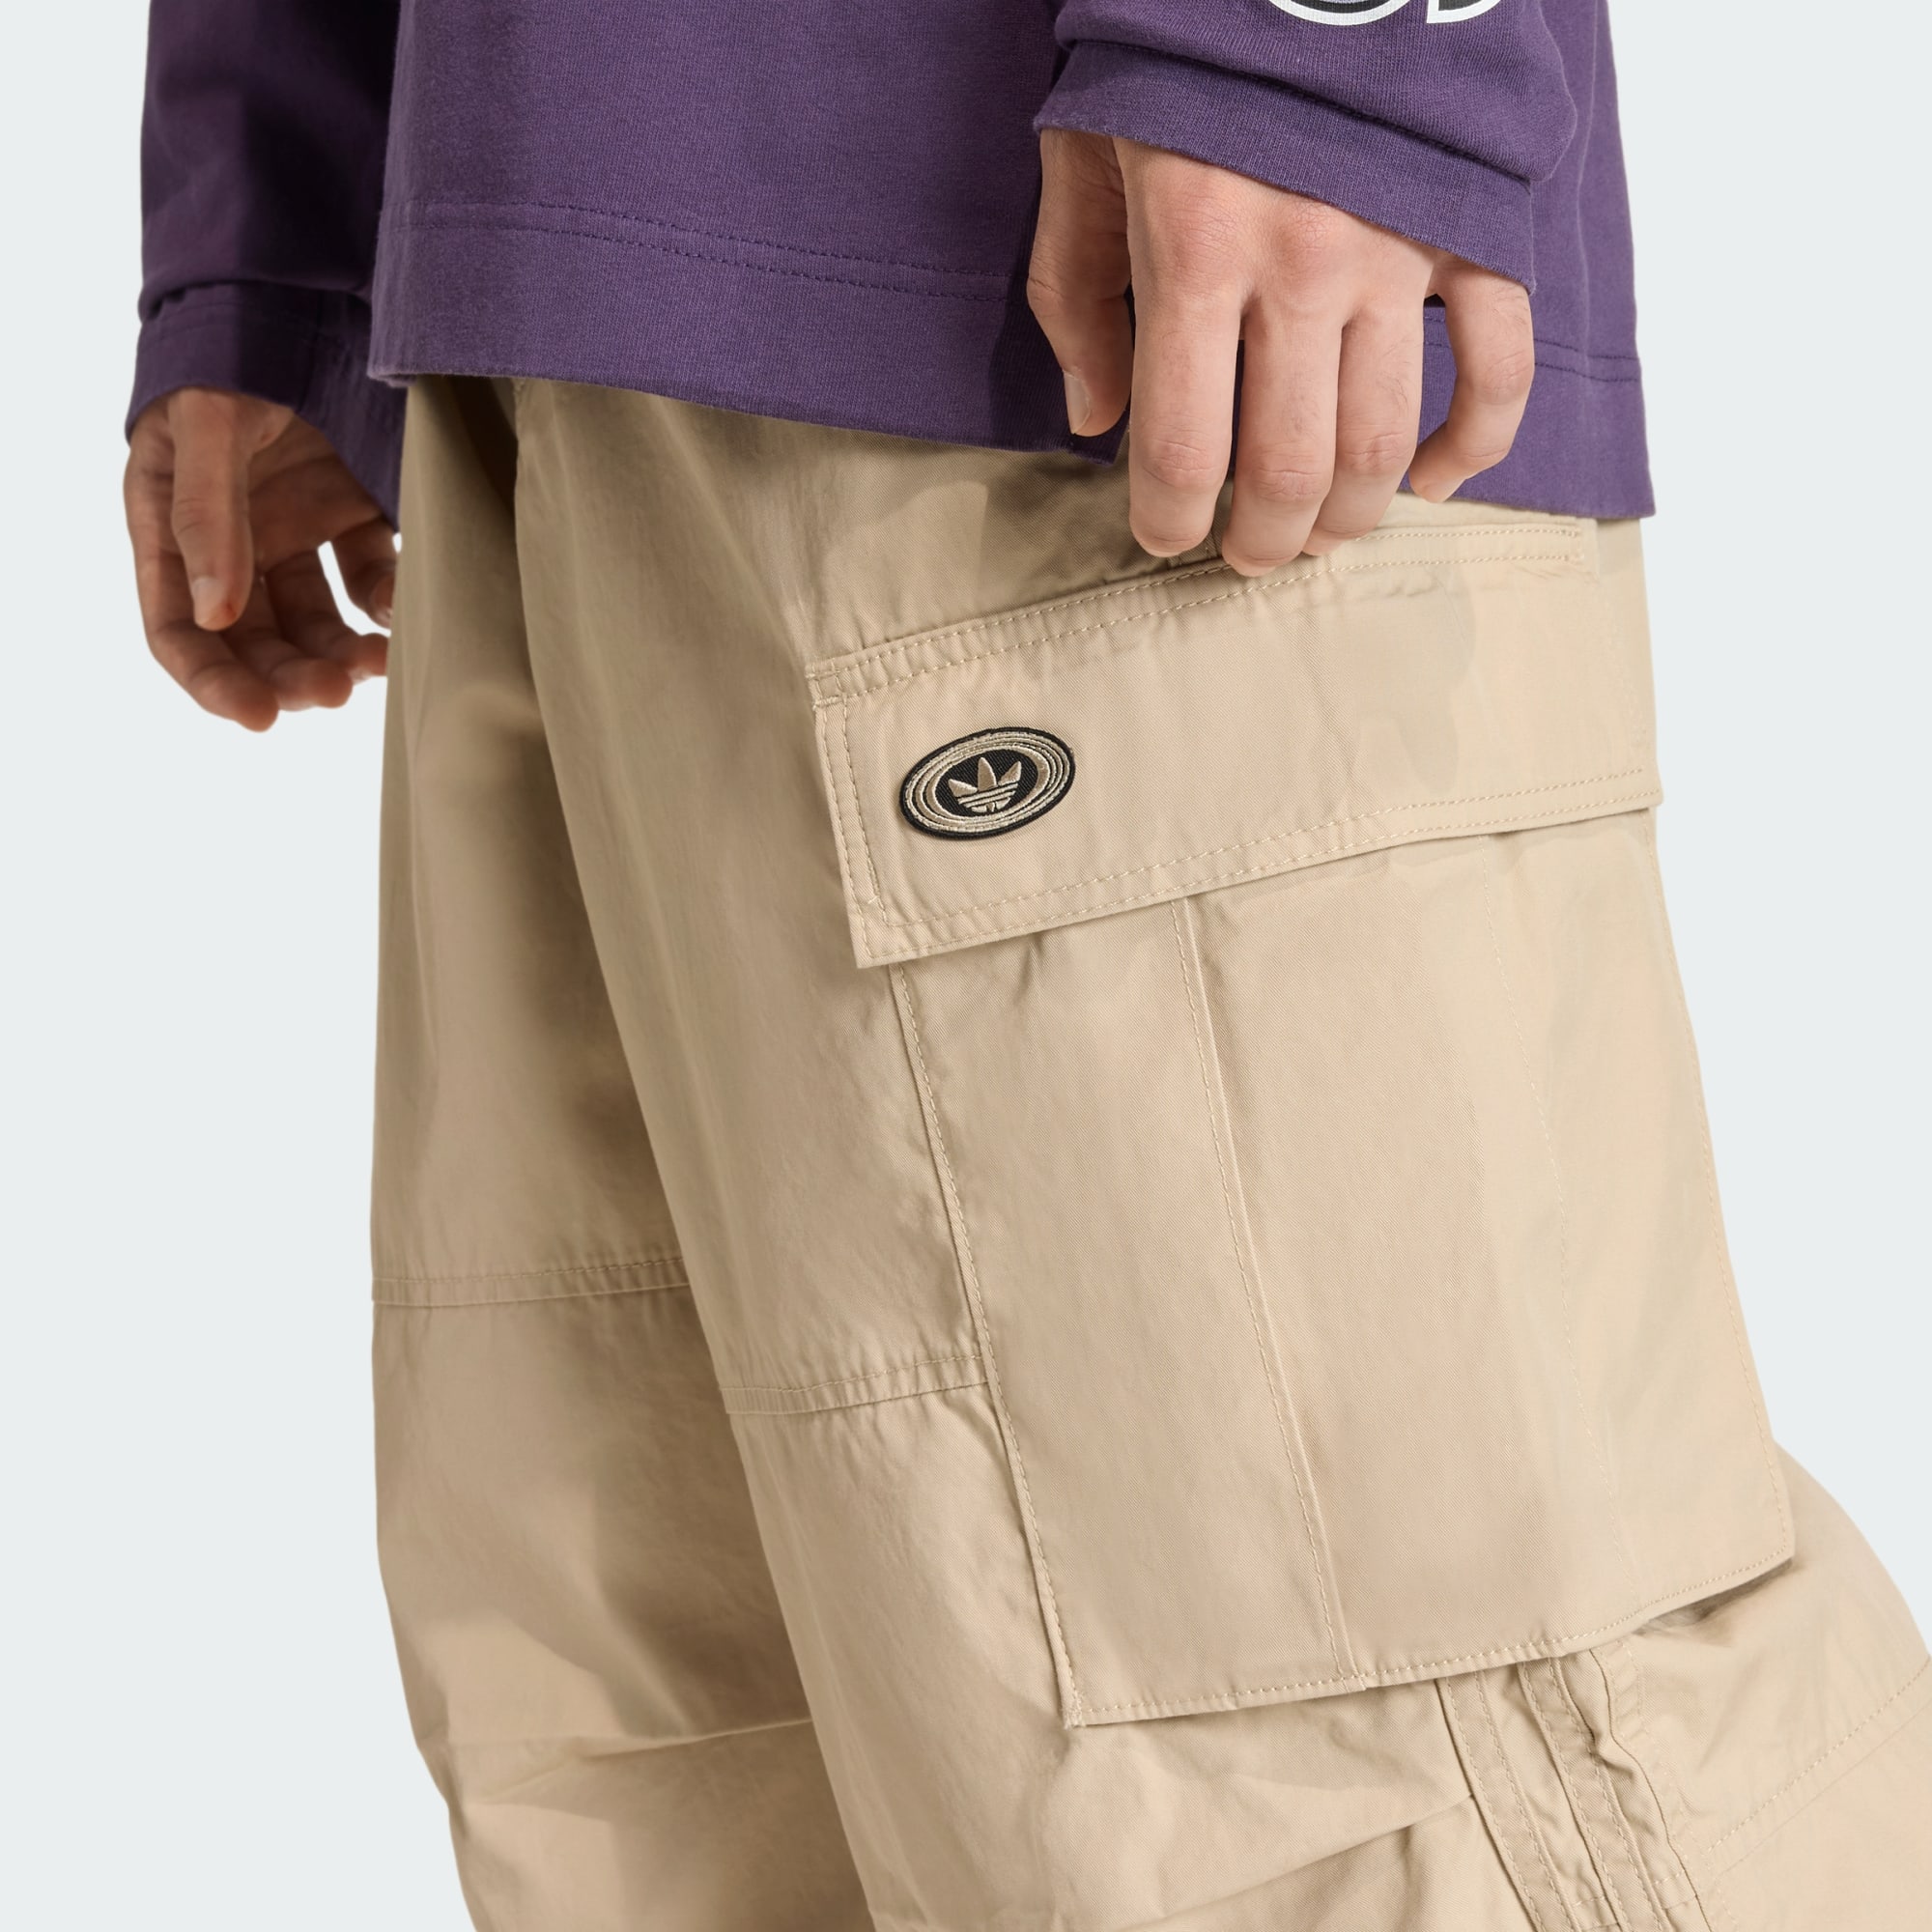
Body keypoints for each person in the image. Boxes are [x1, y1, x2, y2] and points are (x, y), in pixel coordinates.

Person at [124, 2, 1930, 1926]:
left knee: (1383, 1789)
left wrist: (1306, 45)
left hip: (1096, 302)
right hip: (538, 288)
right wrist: (288, 217)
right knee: (690, 1790)